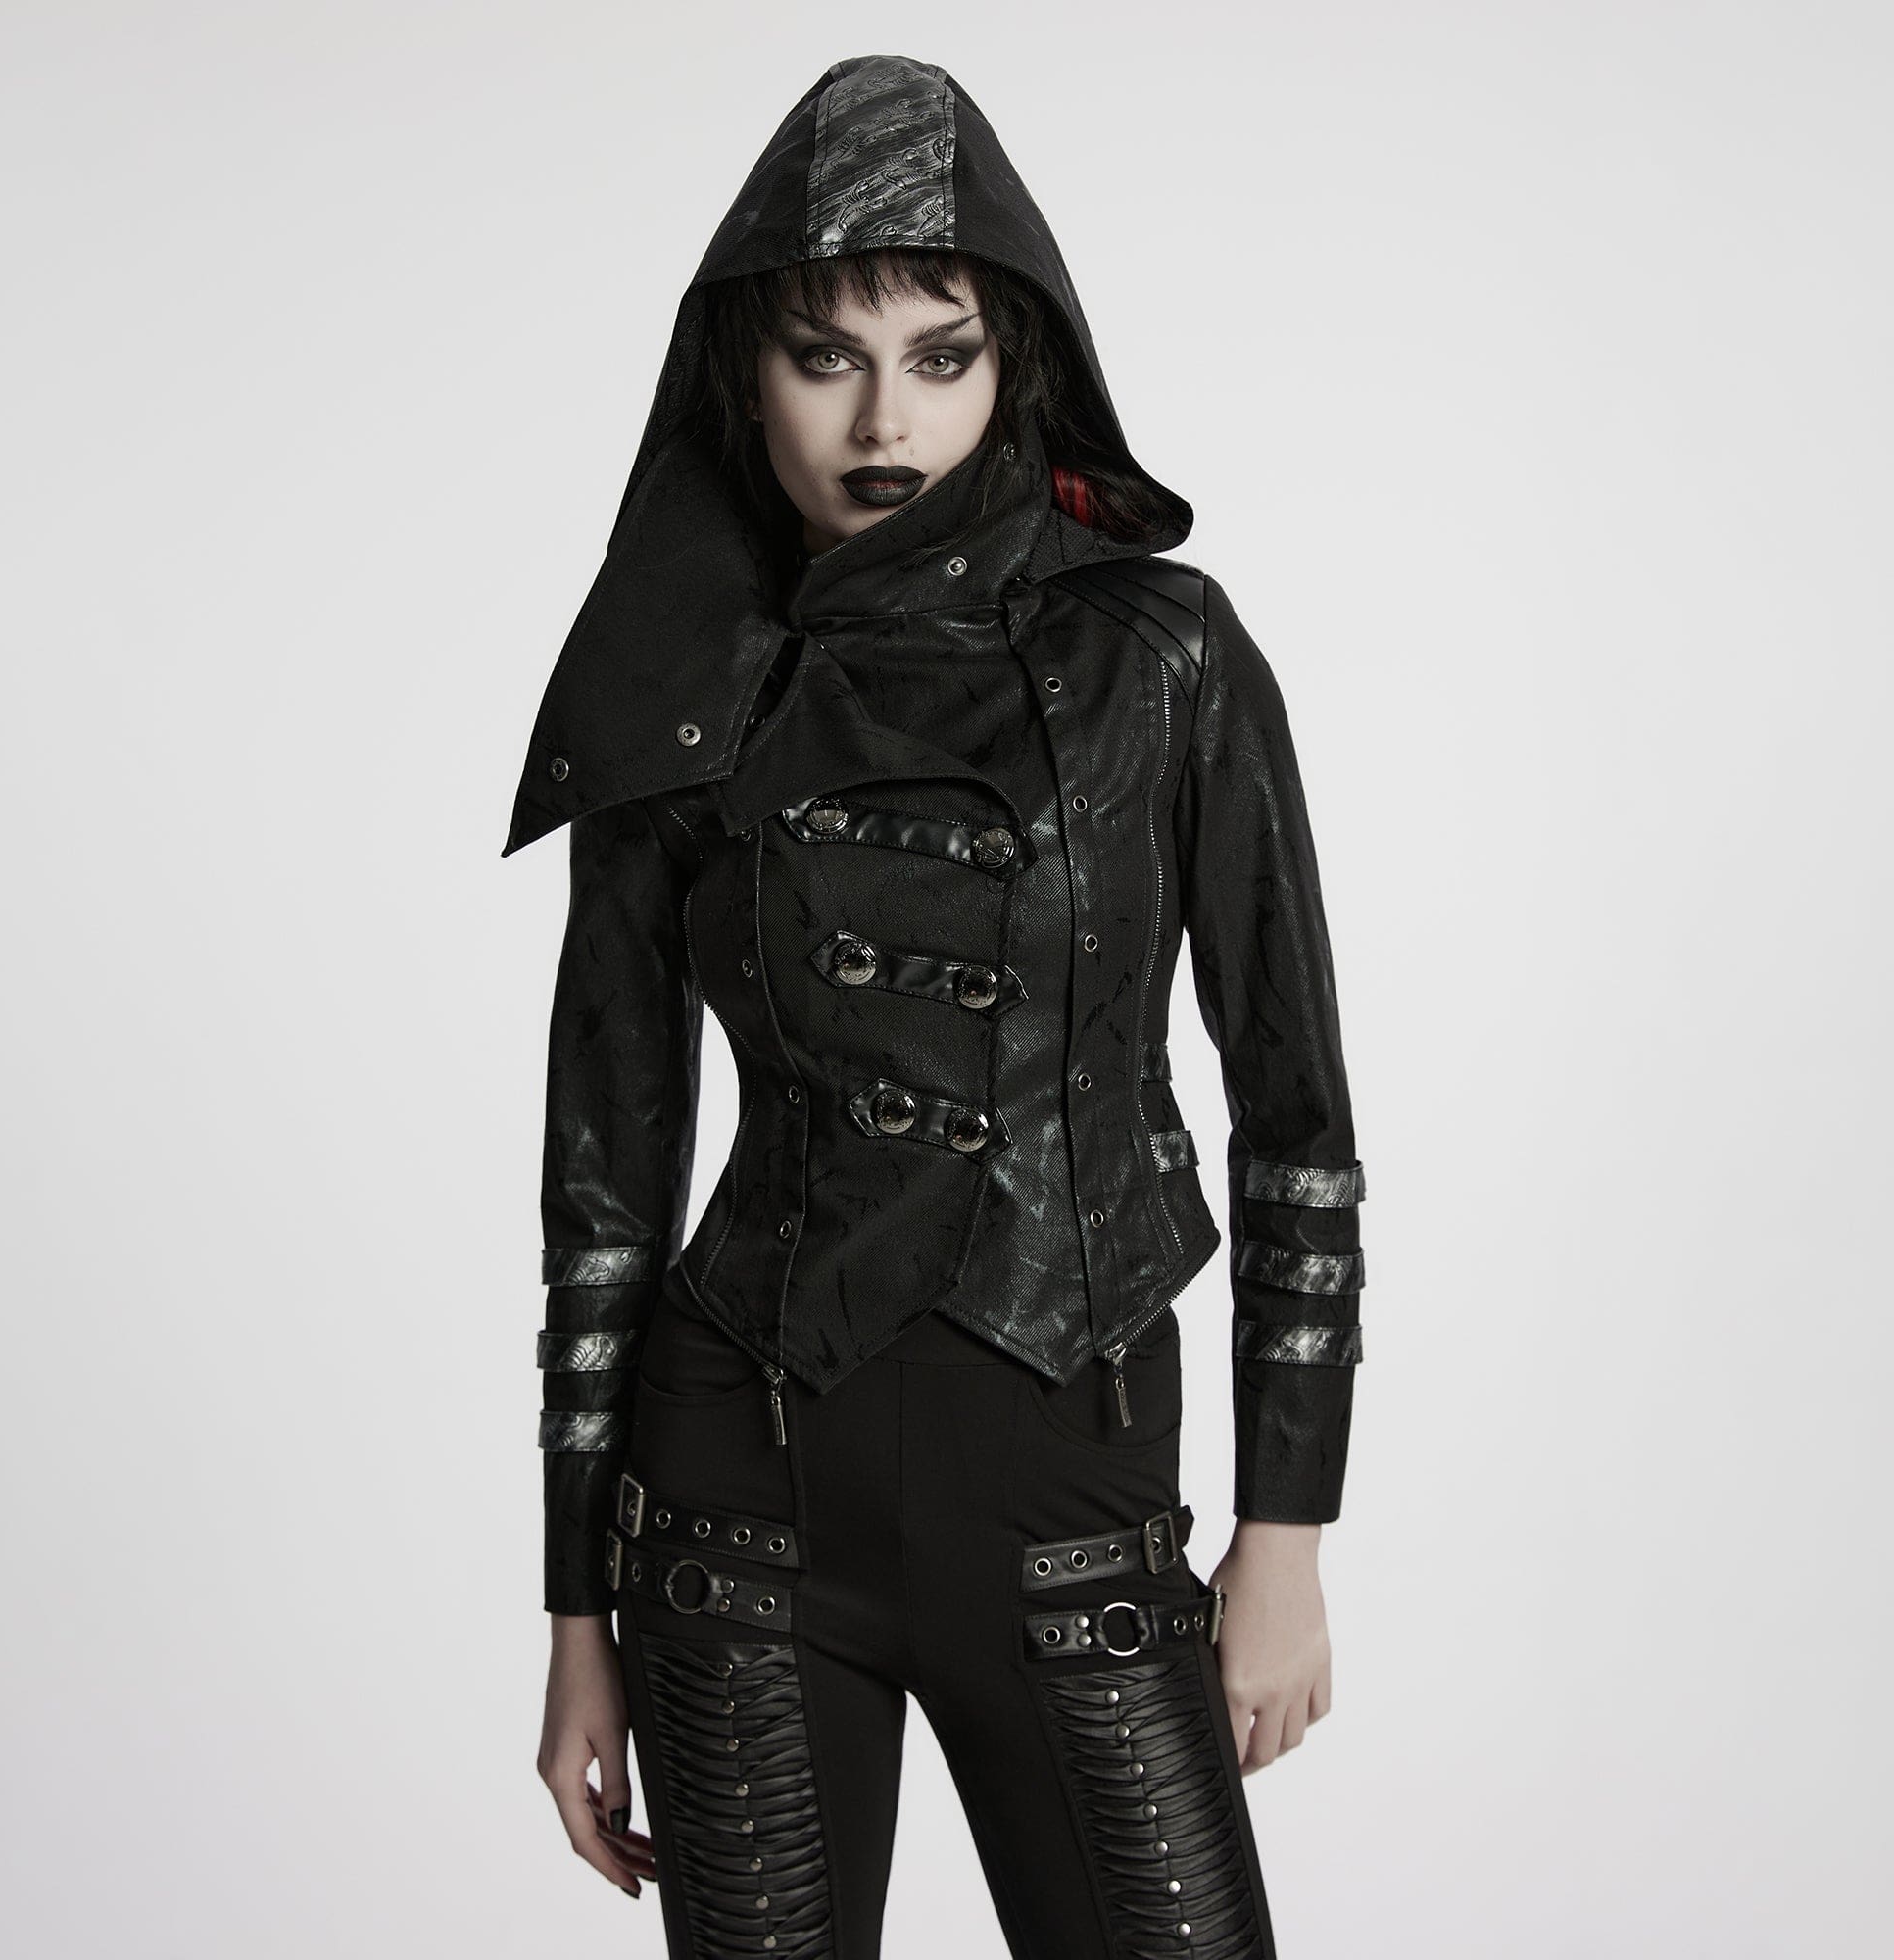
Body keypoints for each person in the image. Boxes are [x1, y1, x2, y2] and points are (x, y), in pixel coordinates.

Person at [501, 54, 1366, 1960]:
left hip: (1068, 1480)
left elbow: (1296, 1118)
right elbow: (606, 1185)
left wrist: (1286, 1531)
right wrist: (574, 1613)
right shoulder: (674, 683)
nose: (884, 417)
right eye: (826, 357)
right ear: (746, 373)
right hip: (734, 1505)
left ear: (1013, 358)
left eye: (939, 354)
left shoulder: (1164, 656)